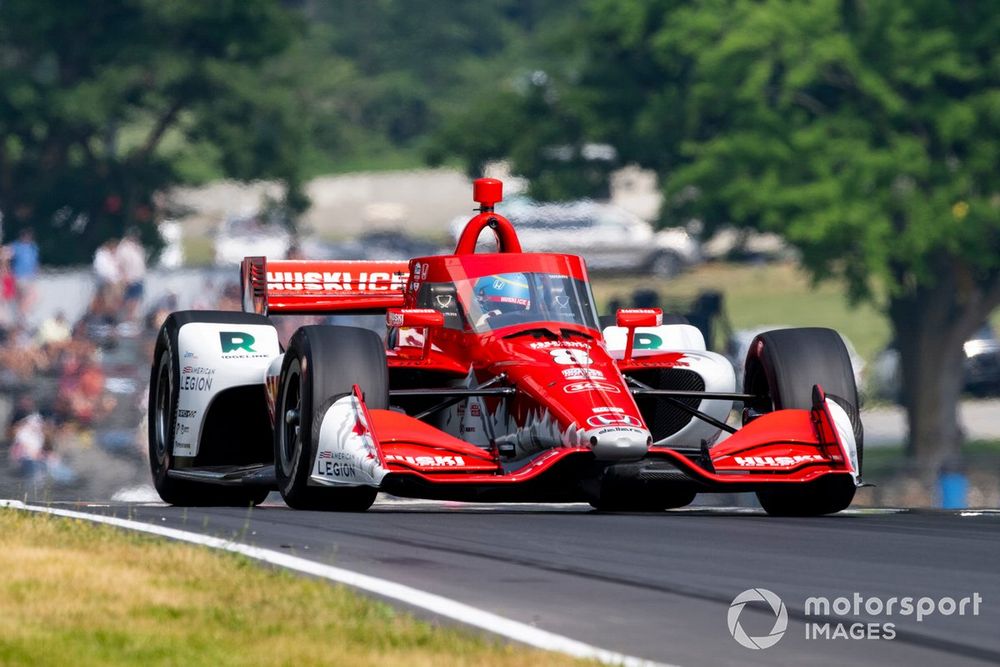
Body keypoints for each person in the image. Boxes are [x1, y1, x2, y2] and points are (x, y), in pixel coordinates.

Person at [116, 229, 147, 321]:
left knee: (136, 301)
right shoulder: (123, 248)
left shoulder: (137, 248)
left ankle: (131, 321)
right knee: (129, 302)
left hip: (138, 278)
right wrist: (125, 277)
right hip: (130, 279)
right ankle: (125, 320)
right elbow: (120, 265)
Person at [8, 229, 39, 317]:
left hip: (30, 277)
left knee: (33, 297)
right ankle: (20, 315)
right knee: (21, 297)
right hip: (19, 276)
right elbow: (7, 256)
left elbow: (35, 262)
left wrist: (36, 272)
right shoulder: (16, 246)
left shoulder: (33, 247)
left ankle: (22, 314)